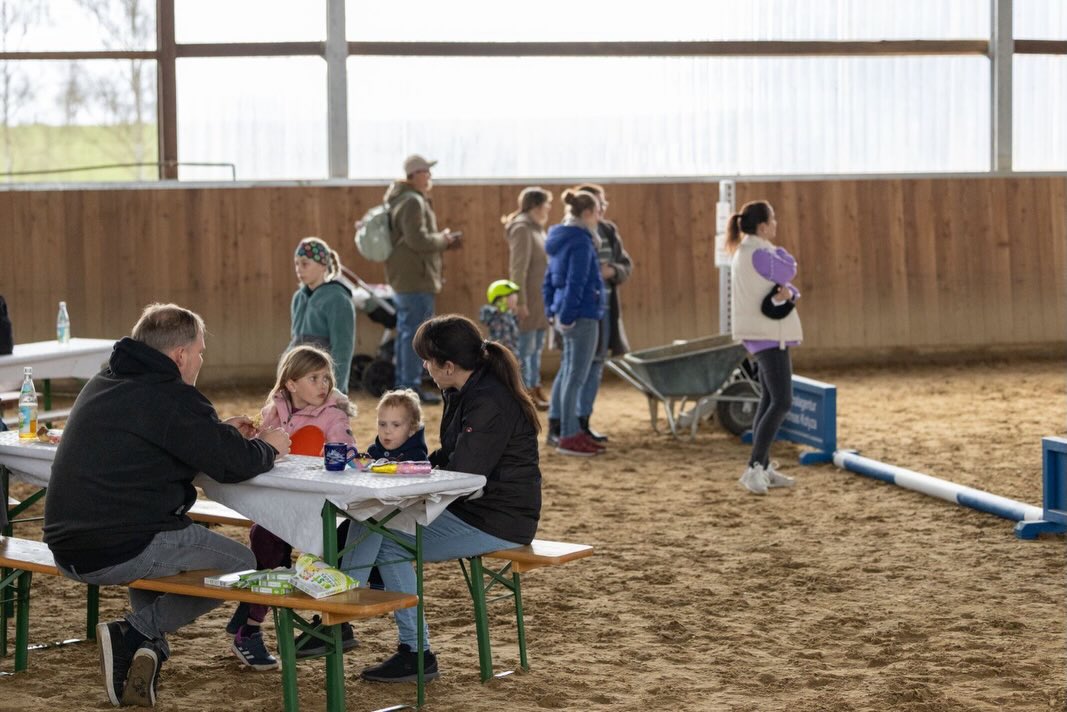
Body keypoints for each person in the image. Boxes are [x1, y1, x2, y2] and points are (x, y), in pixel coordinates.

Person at [42, 303, 291, 708]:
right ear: (180, 355)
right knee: (242, 566)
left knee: (168, 554)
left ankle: (146, 654)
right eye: (200, 352)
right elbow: (234, 466)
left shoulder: (105, 380)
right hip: (118, 545)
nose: (200, 360)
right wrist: (269, 447)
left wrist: (216, 432)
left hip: (66, 546)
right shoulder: (173, 396)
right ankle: (135, 633)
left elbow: (170, 437)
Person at [338, 314, 541, 682]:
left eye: (428, 360)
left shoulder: (488, 400)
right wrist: (400, 471)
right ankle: (349, 612)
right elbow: (448, 457)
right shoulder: (463, 390)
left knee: (378, 533)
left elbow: (463, 474)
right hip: (476, 508)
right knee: (372, 524)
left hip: (498, 519)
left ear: (448, 366)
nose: (424, 366)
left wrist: (406, 483)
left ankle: (350, 616)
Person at [226, 345, 357, 669]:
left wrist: (343, 458)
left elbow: (349, 452)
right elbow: (260, 457)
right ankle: (250, 628)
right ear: (291, 383)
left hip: (318, 507)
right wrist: (248, 439)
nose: (324, 384)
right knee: (265, 544)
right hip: (279, 504)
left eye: (327, 378)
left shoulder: (333, 414)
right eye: (315, 378)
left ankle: (331, 622)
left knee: (332, 550)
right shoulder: (272, 411)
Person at [726, 200, 802, 495]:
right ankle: (755, 466)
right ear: (762, 226)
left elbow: (788, 286)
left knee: (769, 398)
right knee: (782, 401)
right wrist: (784, 262)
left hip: (764, 331)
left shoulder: (750, 251)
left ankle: (763, 465)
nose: (776, 224)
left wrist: (790, 291)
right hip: (767, 333)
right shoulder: (759, 252)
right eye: (773, 220)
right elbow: (789, 270)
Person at [383, 154, 460, 405]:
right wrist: (444, 240)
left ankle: (406, 384)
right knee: (415, 334)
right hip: (416, 277)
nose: (429, 176)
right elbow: (418, 240)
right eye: (426, 171)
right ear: (415, 174)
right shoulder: (413, 202)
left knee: (407, 332)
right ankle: (410, 387)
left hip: (407, 277)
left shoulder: (401, 200)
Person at [543, 190, 606, 456]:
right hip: (581, 315)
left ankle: (562, 429)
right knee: (575, 376)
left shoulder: (559, 237)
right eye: (599, 212)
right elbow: (576, 282)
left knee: (568, 372)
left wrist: (552, 310)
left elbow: (549, 279)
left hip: (564, 313)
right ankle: (569, 435)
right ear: (588, 214)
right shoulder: (581, 241)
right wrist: (568, 316)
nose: (601, 217)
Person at [572, 183, 633, 443]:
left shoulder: (608, 230)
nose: (603, 210)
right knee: (577, 368)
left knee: (596, 365)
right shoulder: (574, 233)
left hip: (606, 309)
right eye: (599, 205)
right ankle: (568, 422)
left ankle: (584, 420)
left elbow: (625, 264)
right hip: (583, 310)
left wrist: (614, 272)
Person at [502, 187, 553, 410]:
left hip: (540, 298)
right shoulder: (522, 229)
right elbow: (518, 268)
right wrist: (520, 300)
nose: (549, 209)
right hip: (529, 297)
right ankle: (524, 391)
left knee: (536, 346)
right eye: (546, 204)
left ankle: (534, 385)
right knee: (526, 348)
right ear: (536, 206)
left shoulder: (537, 229)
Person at [289, 237, 356, 392]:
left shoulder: (338, 300)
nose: (299, 269)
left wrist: (336, 391)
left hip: (322, 387)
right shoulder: (298, 298)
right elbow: (294, 342)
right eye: (296, 264)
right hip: (299, 386)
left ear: (323, 265)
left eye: (305, 263)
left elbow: (342, 349)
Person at [366, 388, 429, 461]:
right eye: (382, 424)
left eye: (396, 425)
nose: (387, 431)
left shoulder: (417, 458)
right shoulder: (372, 453)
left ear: (412, 429)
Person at [479, 279, 521, 356]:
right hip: (497, 356)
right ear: (501, 300)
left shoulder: (511, 316)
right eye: (512, 299)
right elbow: (485, 314)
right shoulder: (493, 315)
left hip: (511, 356)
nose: (515, 302)